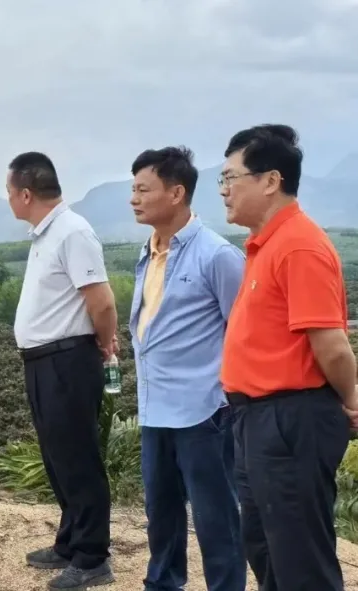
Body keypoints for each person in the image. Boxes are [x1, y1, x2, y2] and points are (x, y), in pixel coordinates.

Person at [219, 124, 358, 591]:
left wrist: (352, 399)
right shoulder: (266, 244)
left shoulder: (299, 244)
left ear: (270, 181)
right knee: (266, 550)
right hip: (256, 421)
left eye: (231, 177)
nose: (224, 190)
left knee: (301, 561)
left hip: (289, 421)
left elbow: (332, 345)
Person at [128, 147, 246, 590]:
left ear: (176, 193)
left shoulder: (217, 255)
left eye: (144, 189)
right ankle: (162, 583)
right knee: (161, 513)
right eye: (134, 189)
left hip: (204, 412)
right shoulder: (148, 252)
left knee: (217, 518)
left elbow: (242, 332)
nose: (134, 199)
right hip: (154, 407)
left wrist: (228, 398)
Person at [7, 152, 117, 590]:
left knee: (78, 458)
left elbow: (102, 302)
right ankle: (70, 541)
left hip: (68, 360)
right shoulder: (46, 234)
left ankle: (92, 557)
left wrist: (105, 343)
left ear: (26, 194)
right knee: (58, 458)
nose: (9, 200)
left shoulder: (73, 231)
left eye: (10, 192)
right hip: (43, 362)